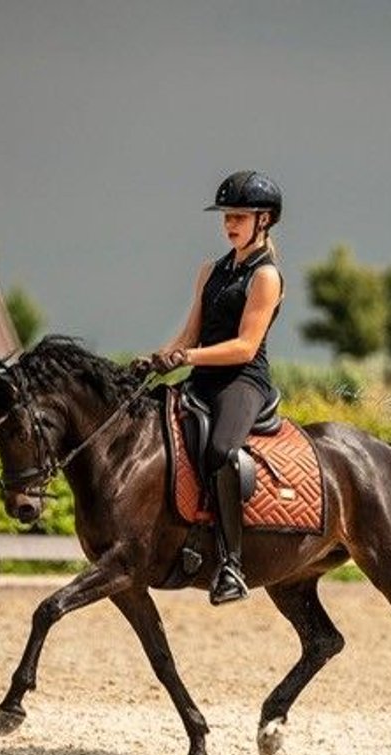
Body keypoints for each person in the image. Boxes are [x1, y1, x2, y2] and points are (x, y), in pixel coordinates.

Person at [138, 170, 285, 605]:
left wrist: (189, 357)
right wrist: (159, 357)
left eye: (239, 216)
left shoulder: (266, 277)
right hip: (201, 376)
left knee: (221, 451)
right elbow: (190, 333)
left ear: (265, 220)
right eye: (226, 217)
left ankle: (231, 565)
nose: (229, 224)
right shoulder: (211, 270)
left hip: (242, 381)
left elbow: (244, 347)